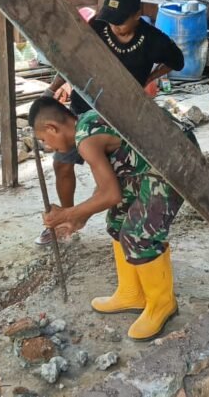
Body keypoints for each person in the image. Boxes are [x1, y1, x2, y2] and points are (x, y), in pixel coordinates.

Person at [37, 0, 184, 245]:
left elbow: (177, 61)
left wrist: (147, 79)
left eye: (121, 21)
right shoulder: (97, 27)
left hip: (122, 119)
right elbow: (72, 60)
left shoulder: (152, 39)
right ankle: (67, 218)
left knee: (111, 175)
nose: (114, 27)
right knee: (62, 163)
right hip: (83, 107)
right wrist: (51, 89)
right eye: (111, 20)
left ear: (137, 14)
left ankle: (81, 217)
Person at [32, 96, 184, 341]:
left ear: (52, 128)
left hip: (175, 161)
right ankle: (131, 293)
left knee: (138, 234)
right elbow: (106, 188)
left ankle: (162, 303)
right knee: (117, 221)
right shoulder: (86, 125)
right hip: (149, 163)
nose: (47, 146)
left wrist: (67, 213)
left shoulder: (86, 140)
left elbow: (111, 194)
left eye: (43, 139)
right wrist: (80, 216)